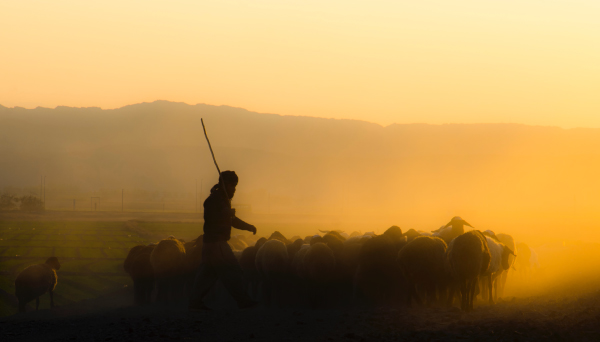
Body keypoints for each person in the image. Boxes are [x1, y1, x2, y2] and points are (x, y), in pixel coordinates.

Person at [189, 170, 258, 310]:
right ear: (225, 184)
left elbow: (231, 220)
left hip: (209, 245)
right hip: (217, 244)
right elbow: (212, 218)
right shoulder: (215, 200)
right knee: (234, 271)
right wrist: (225, 213)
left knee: (206, 275)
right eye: (232, 186)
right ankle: (244, 301)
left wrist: (248, 227)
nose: (234, 190)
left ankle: (194, 302)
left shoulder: (221, 199)